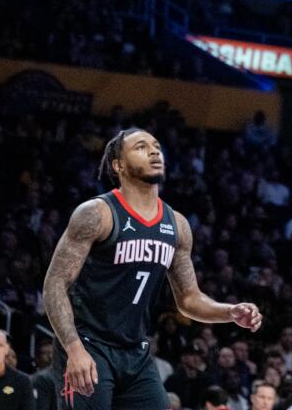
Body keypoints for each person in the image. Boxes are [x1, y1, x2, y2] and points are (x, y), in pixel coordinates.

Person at [42, 128, 263, 409]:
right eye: (141, 147)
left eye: (157, 146)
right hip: (88, 343)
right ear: (118, 164)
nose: (155, 151)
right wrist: (73, 349)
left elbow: (188, 299)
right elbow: (55, 284)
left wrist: (229, 312)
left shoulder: (177, 224)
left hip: (136, 351)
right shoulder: (97, 214)